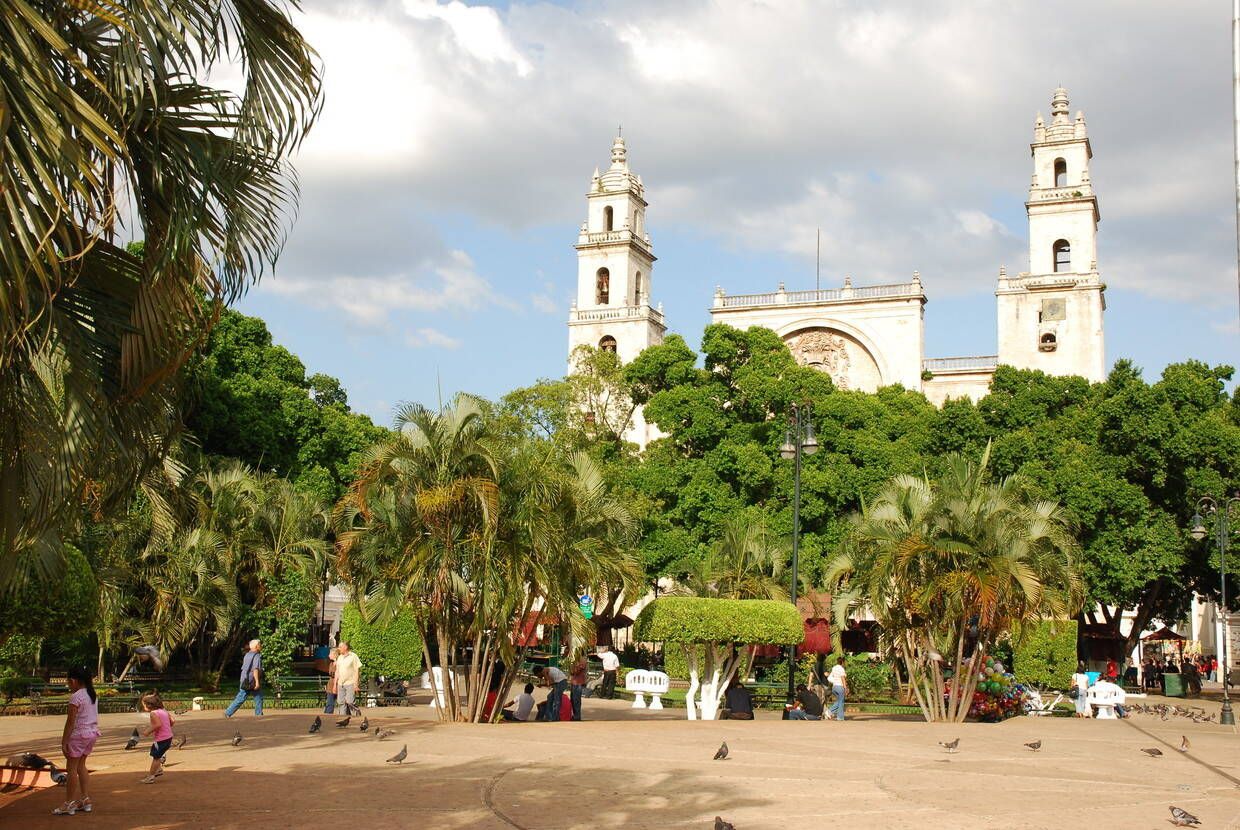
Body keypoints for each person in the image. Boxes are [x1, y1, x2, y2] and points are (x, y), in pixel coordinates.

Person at [55, 667, 99, 815]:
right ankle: (85, 799)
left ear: (73, 681)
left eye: (68, 681)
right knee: (82, 766)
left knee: (72, 769)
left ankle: (69, 803)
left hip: (79, 735)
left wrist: (64, 741)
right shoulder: (92, 694)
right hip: (92, 733)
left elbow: (70, 721)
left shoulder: (76, 697)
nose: (68, 684)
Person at [139, 691, 175, 784]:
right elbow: (173, 721)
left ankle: (151, 776)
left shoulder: (153, 713)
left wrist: (147, 731)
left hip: (161, 739)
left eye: (144, 705)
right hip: (168, 737)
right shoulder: (164, 711)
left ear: (149, 705)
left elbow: (157, 724)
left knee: (156, 757)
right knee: (155, 754)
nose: (144, 707)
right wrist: (167, 726)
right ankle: (158, 770)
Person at [224, 639, 264, 717]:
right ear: (256, 646)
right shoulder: (257, 656)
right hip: (252, 681)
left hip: (244, 679)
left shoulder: (247, 655)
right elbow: (255, 669)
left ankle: (228, 713)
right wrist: (257, 682)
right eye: (259, 644)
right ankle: (258, 714)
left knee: (243, 697)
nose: (261, 646)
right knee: (256, 697)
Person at [334, 641, 362, 717]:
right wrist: (335, 685)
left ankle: (356, 715)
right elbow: (337, 671)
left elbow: (357, 671)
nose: (339, 649)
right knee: (341, 702)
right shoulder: (339, 657)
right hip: (341, 684)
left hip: (350, 683)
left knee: (350, 702)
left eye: (340, 647)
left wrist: (356, 684)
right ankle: (343, 718)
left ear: (345, 647)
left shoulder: (353, 656)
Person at [827, 656, 848, 721]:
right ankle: (840, 717)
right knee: (841, 702)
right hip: (840, 687)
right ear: (842, 662)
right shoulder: (841, 669)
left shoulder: (834, 668)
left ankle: (829, 712)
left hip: (834, 687)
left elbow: (830, 677)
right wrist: (845, 688)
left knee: (839, 701)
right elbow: (843, 678)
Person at [569, 655, 588, 721]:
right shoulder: (576, 660)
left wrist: (574, 666)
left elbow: (576, 671)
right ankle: (575, 715)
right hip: (574, 682)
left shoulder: (582, 659)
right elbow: (572, 672)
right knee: (573, 700)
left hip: (578, 682)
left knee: (576, 700)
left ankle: (577, 716)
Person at [323, 647, 339, 714]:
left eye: (330, 654)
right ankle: (327, 714)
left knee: (342, 702)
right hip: (331, 685)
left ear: (335, 655)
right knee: (329, 702)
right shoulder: (331, 664)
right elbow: (331, 673)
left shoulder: (339, 663)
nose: (329, 655)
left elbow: (337, 674)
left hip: (338, 685)